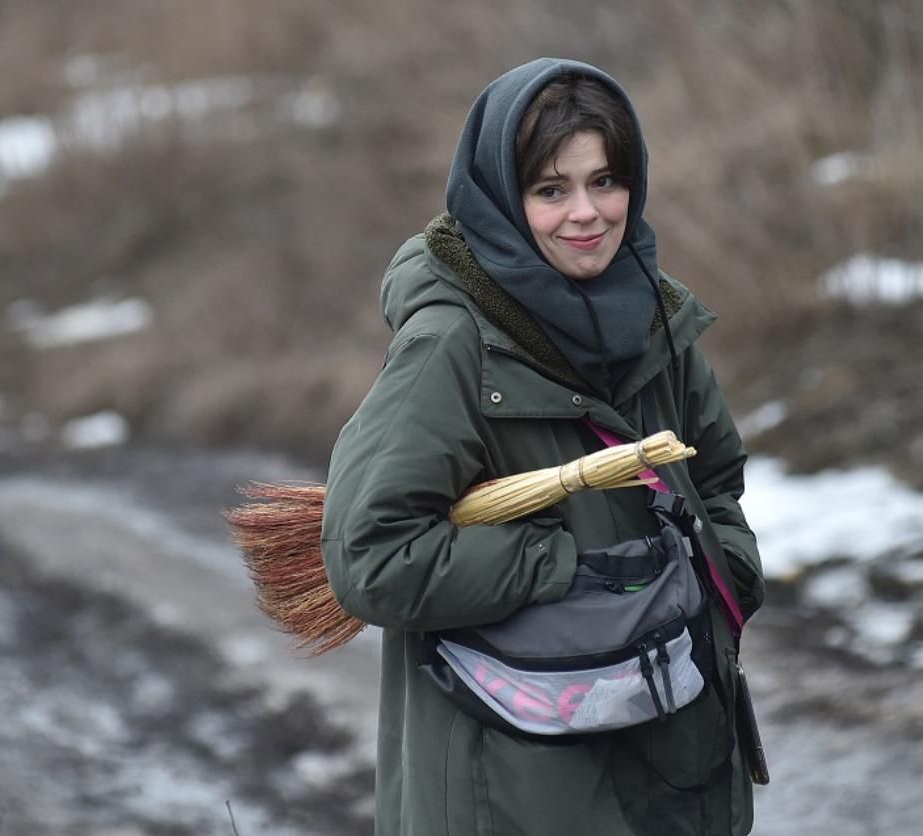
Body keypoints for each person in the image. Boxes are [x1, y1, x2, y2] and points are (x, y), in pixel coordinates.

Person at [320, 58, 766, 835]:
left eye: (606, 181)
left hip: (673, 745)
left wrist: (724, 573)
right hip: (520, 784)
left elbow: (715, 476)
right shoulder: (452, 345)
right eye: (551, 190)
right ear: (501, 197)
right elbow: (372, 557)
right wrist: (559, 567)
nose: (586, 214)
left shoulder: (657, 319)